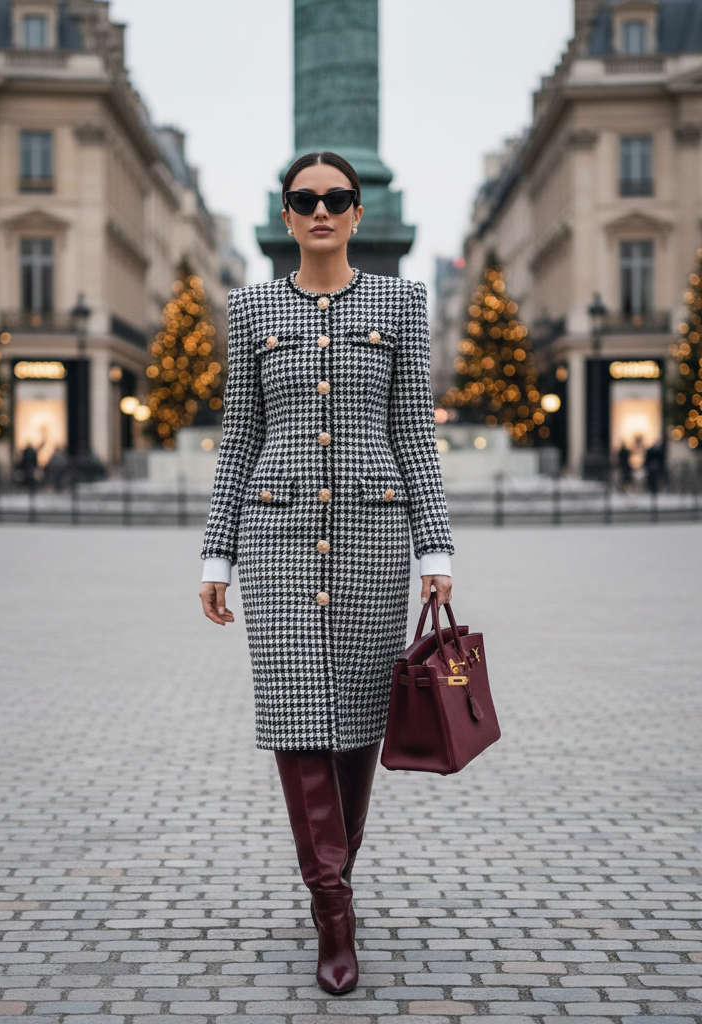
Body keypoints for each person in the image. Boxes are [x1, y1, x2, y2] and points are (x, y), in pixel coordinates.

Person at [198, 152, 454, 995]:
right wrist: (217, 554)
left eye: (336, 199)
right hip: (276, 543)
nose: (320, 211)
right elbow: (240, 438)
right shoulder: (252, 307)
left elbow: (415, 433)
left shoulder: (401, 304)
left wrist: (435, 551)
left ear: (356, 213)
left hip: (376, 543)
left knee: (357, 728)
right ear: (284, 212)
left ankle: (332, 868)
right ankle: (332, 909)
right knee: (298, 715)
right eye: (305, 200)